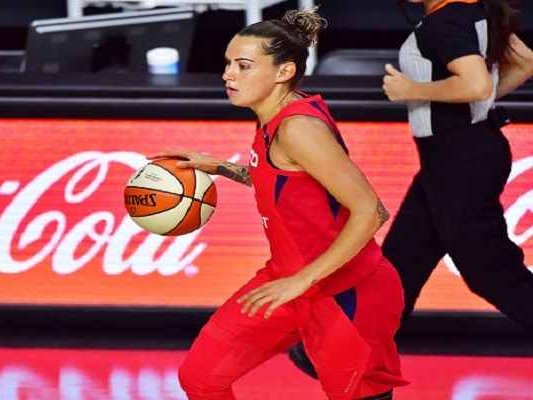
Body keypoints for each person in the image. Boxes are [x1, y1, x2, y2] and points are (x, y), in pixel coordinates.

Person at [148, 8, 408, 400]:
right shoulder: (274, 114)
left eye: (244, 66)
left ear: (283, 72)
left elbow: (372, 212)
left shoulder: (299, 128)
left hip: (345, 291)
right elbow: (285, 180)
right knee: (201, 377)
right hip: (284, 281)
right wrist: (220, 167)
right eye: (228, 64)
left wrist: (301, 281)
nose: (228, 75)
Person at [289, 0, 533, 381]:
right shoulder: (474, 10)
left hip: (460, 161)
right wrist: (479, 106)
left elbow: (476, 84)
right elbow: (525, 61)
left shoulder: (445, 22)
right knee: (400, 264)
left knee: (490, 271)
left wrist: (412, 88)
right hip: (455, 158)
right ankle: (345, 353)